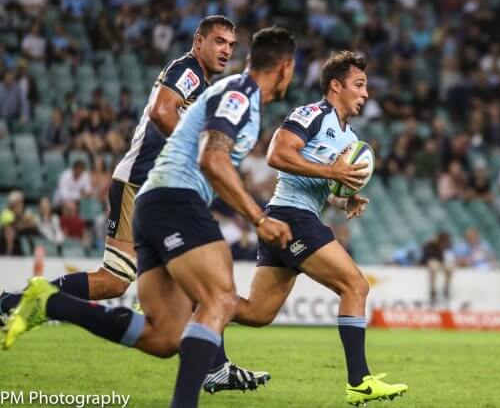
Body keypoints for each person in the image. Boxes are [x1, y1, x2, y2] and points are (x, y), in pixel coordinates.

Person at [3, 27, 297, 408]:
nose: (224, 49)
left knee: (164, 336)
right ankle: (211, 373)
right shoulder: (232, 90)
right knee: (218, 297)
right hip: (166, 193)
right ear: (286, 68)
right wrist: (258, 218)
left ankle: (49, 302)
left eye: (231, 44)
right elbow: (207, 153)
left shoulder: (228, 91)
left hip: (155, 199)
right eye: (219, 41)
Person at [203, 51, 408, 405]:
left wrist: (344, 199)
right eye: (358, 85)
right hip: (292, 217)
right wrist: (333, 174)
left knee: (256, 313)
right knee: (355, 285)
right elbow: (276, 155)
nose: (365, 94)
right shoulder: (312, 114)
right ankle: (359, 382)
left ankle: (197, 304)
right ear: (335, 85)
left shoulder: (348, 138)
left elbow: (324, 184)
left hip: (293, 217)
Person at [421, 232, 454, 304]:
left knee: (450, 268)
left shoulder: (447, 247)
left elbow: (447, 257)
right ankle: (433, 290)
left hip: (442, 263)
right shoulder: (430, 245)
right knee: (433, 266)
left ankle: (446, 289)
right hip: (432, 262)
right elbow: (427, 257)